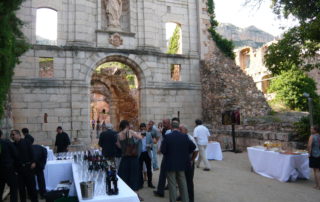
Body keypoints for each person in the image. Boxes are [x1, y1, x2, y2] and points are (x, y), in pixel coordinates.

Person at [161, 121, 196, 202]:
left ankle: (173, 200)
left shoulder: (167, 137)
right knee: (183, 183)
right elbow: (193, 147)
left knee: (172, 184)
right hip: (182, 164)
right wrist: (184, 153)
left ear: (171, 127)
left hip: (170, 163)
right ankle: (186, 200)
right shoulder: (184, 136)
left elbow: (163, 150)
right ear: (178, 127)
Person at [116, 120, 143, 201]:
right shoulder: (130, 131)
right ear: (127, 126)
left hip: (124, 159)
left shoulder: (118, 135)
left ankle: (125, 196)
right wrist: (138, 134)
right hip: (133, 159)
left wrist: (125, 149)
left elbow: (119, 145)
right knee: (134, 177)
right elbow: (140, 137)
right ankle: (136, 196)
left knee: (124, 177)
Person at [11, 130, 38, 202]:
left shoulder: (26, 142)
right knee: (21, 189)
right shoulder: (12, 145)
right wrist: (14, 170)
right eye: (11, 135)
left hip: (29, 168)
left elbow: (32, 152)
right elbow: (12, 158)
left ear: (19, 135)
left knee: (32, 188)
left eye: (13, 134)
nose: (12, 136)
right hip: (19, 170)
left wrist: (34, 162)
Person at [179, 124, 199, 202]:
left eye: (181, 129)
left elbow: (196, 150)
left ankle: (191, 198)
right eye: (179, 129)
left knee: (189, 181)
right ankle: (182, 195)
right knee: (181, 180)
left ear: (186, 131)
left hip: (188, 162)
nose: (179, 131)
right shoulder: (180, 138)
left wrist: (192, 160)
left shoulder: (190, 138)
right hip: (181, 162)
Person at [154, 118, 172, 197]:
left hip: (169, 155)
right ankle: (163, 189)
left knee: (164, 173)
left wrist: (162, 150)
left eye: (165, 123)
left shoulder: (171, 131)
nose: (163, 124)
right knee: (165, 172)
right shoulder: (165, 130)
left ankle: (160, 191)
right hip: (167, 154)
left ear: (169, 123)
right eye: (163, 122)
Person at [0, 129, 19, 202]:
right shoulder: (7, 142)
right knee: (13, 188)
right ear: (1, 134)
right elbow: (16, 155)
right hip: (9, 169)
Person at [138, 123, 155, 188]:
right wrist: (140, 137)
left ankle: (150, 183)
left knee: (149, 169)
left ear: (145, 128)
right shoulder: (138, 134)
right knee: (140, 169)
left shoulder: (149, 134)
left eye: (144, 128)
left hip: (147, 153)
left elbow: (152, 143)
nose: (142, 129)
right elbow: (135, 142)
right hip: (140, 154)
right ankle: (140, 183)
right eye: (141, 128)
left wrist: (149, 145)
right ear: (140, 129)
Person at [308, 125, 320, 189]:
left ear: (315, 130)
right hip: (319, 154)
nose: (310, 130)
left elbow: (309, 145)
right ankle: (317, 185)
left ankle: (318, 185)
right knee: (318, 170)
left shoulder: (312, 136)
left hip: (314, 154)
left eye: (312, 129)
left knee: (316, 171)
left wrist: (309, 153)